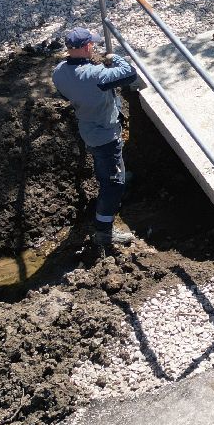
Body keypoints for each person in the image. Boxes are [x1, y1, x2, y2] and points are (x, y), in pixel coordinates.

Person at [52, 26, 140, 254]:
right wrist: (115, 57)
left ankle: (113, 171)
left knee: (106, 162)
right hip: (105, 134)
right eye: (93, 45)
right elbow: (130, 73)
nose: (95, 47)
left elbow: (66, 95)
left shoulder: (59, 72)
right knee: (113, 185)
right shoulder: (96, 75)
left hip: (87, 129)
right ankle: (104, 232)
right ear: (87, 47)